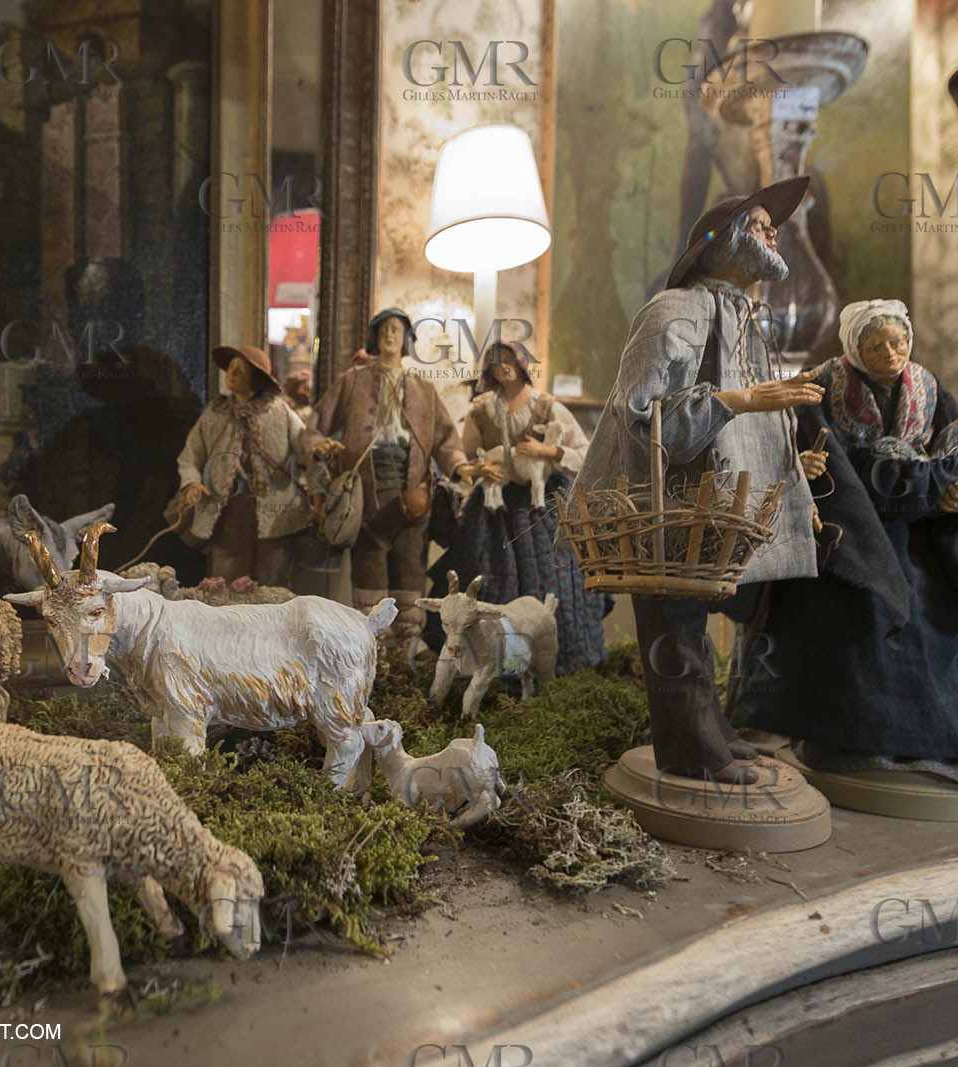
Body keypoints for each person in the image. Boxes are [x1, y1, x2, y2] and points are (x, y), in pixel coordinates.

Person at [730, 299, 958, 794]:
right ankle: (853, 746)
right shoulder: (817, 386)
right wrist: (798, 469)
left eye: (898, 341)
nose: (889, 352)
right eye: (875, 344)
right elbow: (768, 445)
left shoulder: (928, 388)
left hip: (923, 538)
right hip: (846, 538)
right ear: (853, 347)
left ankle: (948, 756)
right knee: (860, 621)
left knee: (946, 627)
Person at [580, 177, 822, 783]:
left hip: (708, 506)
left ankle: (709, 730)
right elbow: (643, 415)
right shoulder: (677, 311)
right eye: (761, 225)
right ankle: (689, 750)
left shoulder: (745, 321)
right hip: (664, 505)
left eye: (773, 225)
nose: (774, 233)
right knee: (673, 622)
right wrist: (738, 399)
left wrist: (796, 480)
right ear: (725, 245)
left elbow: (756, 424)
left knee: (695, 622)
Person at [427, 340, 608, 673]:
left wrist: (548, 452)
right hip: (495, 508)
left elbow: (584, 450)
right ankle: (490, 662)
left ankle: (558, 657)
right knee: (486, 574)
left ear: (523, 364)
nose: (504, 368)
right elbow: (466, 455)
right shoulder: (481, 409)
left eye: (509, 361)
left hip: (543, 506)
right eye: (497, 363)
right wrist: (478, 469)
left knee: (555, 575)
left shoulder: (546, 406)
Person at [317, 308, 470, 647]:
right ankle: (373, 655)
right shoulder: (352, 381)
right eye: (383, 329)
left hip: (413, 500)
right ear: (374, 338)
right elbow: (315, 427)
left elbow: (446, 440)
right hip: (368, 499)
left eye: (396, 330)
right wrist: (321, 448)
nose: (389, 335)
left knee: (409, 572)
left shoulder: (425, 391)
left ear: (406, 340)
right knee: (370, 571)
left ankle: (405, 657)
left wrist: (461, 466)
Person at [169, 345, 341, 586]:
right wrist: (192, 483)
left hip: (277, 514)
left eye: (241, 370)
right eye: (231, 368)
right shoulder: (214, 412)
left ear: (256, 377)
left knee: (274, 580)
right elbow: (190, 456)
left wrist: (318, 453)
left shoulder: (279, 411)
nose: (232, 373)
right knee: (225, 580)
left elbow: (305, 448)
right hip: (228, 512)